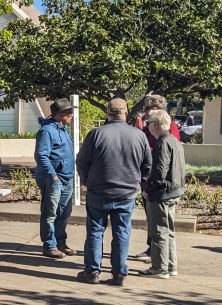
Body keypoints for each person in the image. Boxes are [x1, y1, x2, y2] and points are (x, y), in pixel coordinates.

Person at [76, 98, 151, 286]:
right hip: (126, 193)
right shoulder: (139, 136)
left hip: (98, 192)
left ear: (107, 113)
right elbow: (147, 166)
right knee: (122, 232)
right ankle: (119, 274)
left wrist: (87, 181)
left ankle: (92, 272)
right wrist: (138, 183)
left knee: (95, 231)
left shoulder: (96, 134)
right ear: (126, 113)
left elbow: (82, 162)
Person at [133, 94, 180, 264]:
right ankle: (154, 250)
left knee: (161, 226)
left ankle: (159, 261)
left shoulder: (167, 132)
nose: (150, 113)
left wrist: (149, 187)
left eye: (154, 109)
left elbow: (162, 164)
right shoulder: (145, 129)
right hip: (148, 181)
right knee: (153, 221)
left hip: (159, 185)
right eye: (148, 109)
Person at [139, 110, 185, 279]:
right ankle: (171, 266)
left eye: (149, 123)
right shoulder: (174, 141)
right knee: (169, 231)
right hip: (174, 191)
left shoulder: (162, 143)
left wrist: (147, 190)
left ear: (156, 125)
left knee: (159, 232)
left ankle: (159, 268)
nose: (147, 126)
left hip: (162, 194)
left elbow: (159, 172)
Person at [34, 97, 76, 259]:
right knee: (50, 213)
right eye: (69, 113)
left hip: (67, 177)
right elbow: (41, 156)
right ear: (59, 115)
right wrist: (53, 176)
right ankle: (49, 245)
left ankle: (60, 242)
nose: (72, 115)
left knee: (64, 212)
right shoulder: (47, 131)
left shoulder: (63, 129)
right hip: (53, 179)